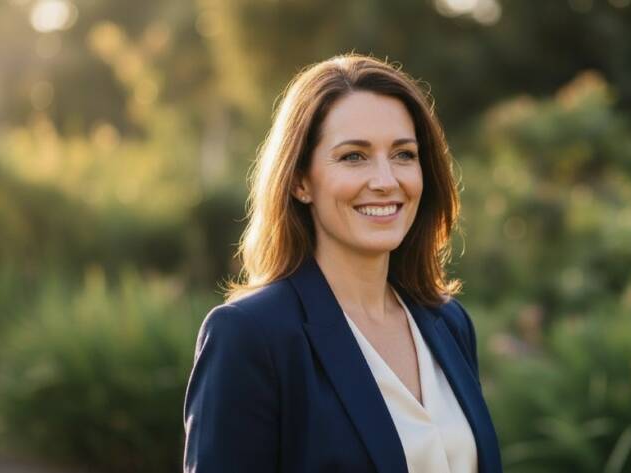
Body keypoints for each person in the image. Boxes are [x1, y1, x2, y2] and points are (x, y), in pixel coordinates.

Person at [183, 53, 502, 473]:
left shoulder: (448, 322)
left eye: (404, 154)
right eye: (354, 156)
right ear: (300, 181)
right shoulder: (250, 336)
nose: (387, 181)